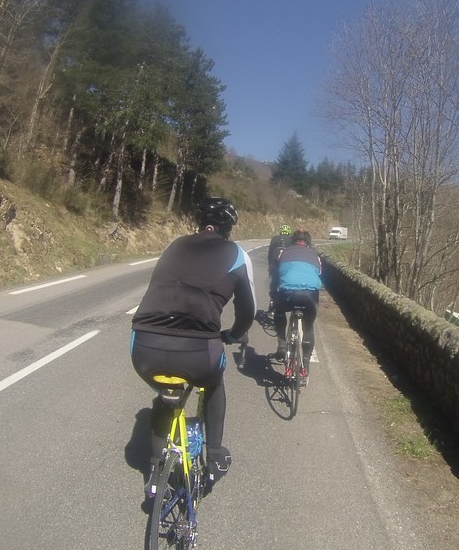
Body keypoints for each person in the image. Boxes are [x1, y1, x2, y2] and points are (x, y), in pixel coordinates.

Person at [130, 197, 255, 497]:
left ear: (199, 222)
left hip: (144, 346)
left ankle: (156, 472)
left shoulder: (173, 245)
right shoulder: (238, 254)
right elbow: (248, 311)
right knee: (213, 384)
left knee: (166, 395)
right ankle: (214, 458)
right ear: (229, 227)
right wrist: (233, 336)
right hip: (199, 353)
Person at [272, 230, 322, 382]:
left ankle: (282, 344)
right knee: (308, 326)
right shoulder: (315, 256)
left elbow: (275, 276)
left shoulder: (283, 253)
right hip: (310, 296)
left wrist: (273, 295)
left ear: (292, 242)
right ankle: (305, 365)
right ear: (309, 243)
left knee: (279, 311)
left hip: (288, 294)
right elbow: (318, 276)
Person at [267, 224, 292, 310]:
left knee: (274, 281)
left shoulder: (274, 238)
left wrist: (270, 265)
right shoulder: (292, 239)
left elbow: (270, 253)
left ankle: (273, 298)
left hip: (275, 264)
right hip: (287, 264)